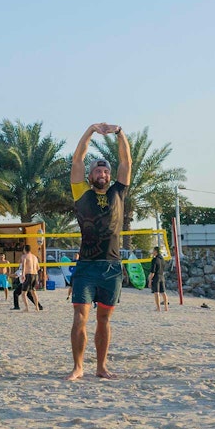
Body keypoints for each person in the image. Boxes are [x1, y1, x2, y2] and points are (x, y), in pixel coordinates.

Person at [66, 123, 131, 381]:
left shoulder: (118, 191)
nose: (102, 173)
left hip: (112, 267)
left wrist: (120, 133)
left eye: (105, 170)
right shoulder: (81, 192)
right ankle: (78, 367)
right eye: (97, 170)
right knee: (80, 316)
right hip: (86, 267)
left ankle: (101, 367)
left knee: (104, 320)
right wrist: (91, 130)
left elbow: (126, 162)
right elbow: (77, 160)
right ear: (90, 176)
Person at [20, 244, 42, 311]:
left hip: (28, 275)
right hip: (35, 274)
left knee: (24, 293)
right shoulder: (35, 257)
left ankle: (27, 308)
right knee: (33, 292)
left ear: (24, 249)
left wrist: (23, 275)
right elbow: (38, 268)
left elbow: (23, 266)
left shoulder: (24, 256)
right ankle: (37, 307)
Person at [150, 247, 168, 312]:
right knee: (163, 292)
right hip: (162, 276)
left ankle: (158, 308)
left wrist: (150, 280)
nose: (152, 252)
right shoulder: (163, 259)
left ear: (156, 251)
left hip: (156, 277)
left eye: (153, 251)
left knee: (156, 293)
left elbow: (153, 272)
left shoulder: (155, 260)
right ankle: (166, 307)